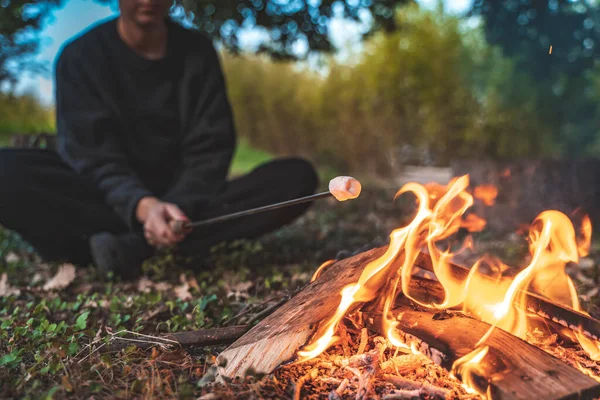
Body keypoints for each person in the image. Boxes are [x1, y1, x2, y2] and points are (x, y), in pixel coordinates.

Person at [0, 0, 318, 280]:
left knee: (295, 177)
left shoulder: (197, 52)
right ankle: (134, 241)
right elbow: (89, 154)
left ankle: (130, 246)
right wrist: (142, 205)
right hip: (103, 198)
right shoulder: (80, 57)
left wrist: (175, 208)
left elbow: (211, 149)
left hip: (185, 205)